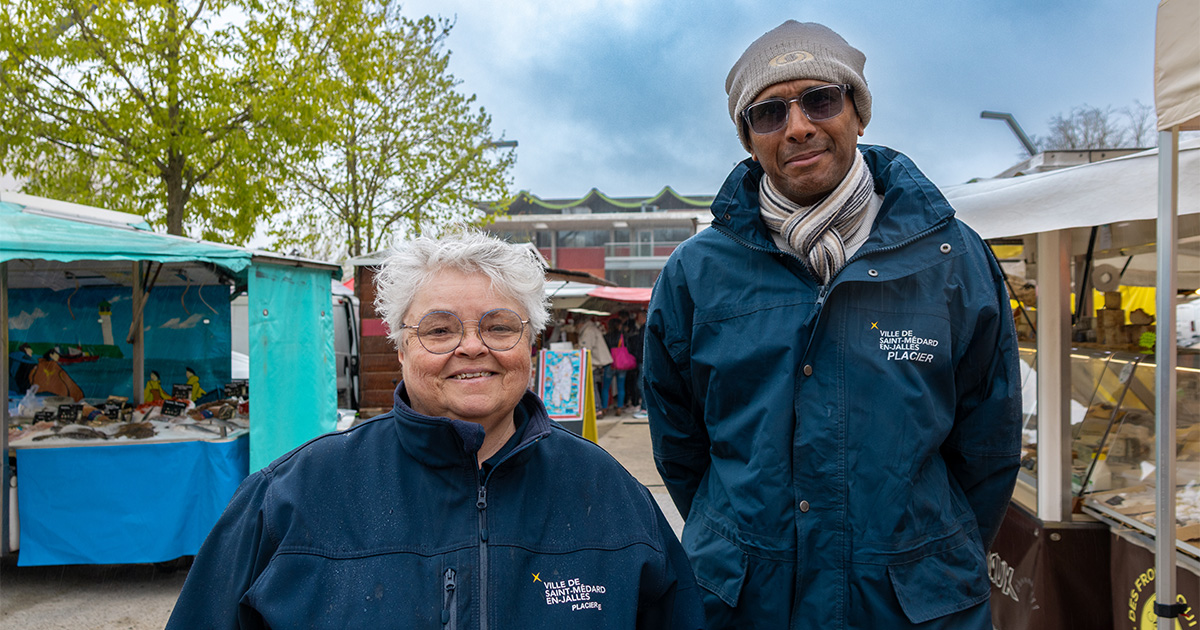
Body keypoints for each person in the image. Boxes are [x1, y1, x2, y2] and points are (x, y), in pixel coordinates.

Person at [643, 21, 1021, 630]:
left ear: (858, 113)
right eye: (768, 113)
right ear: (748, 137)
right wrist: (745, 541)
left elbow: (989, 442)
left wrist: (926, 553)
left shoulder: (952, 259)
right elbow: (680, 445)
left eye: (820, 100)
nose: (797, 126)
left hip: (913, 605)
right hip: (747, 603)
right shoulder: (696, 273)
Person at [168, 230, 703, 629]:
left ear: (531, 345)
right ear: (401, 348)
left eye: (498, 326)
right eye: (439, 329)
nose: (472, 346)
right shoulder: (288, 499)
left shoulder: (612, 497)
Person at [575, 314, 613, 416]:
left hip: (598, 364)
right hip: (605, 363)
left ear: (580, 324)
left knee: (595, 387)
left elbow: (586, 349)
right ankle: (603, 409)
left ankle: (598, 410)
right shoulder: (592, 328)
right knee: (604, 388)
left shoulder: (588, 331)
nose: (576, 328)